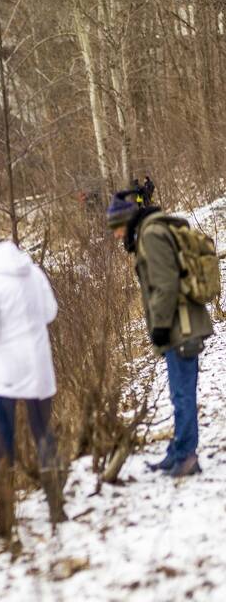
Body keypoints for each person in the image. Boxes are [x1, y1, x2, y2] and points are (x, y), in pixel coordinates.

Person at [0, 228, 67, 537]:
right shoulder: (32, 270)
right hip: (38, 364)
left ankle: (5, 524)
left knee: (4, 440)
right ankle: (56, 508)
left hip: (4, 371)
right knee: (43, 433)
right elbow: (50, 311)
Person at [106, 191, 213, 477]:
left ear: (127, 221)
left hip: (181, 327)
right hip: (181, 324)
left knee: (183, 395)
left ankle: (187, 457)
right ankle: (176, 452)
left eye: (116, 227)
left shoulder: (151, 235)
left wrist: (161, 327)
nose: (116, 235)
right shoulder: (151, 230)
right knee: (180, 393)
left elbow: (165, 284)